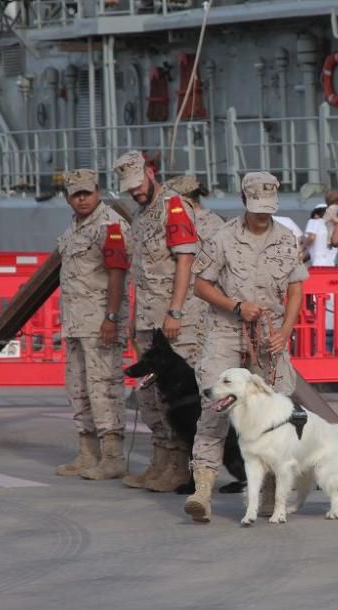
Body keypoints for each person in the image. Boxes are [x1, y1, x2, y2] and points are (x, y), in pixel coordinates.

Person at [185, 172, 308, 523]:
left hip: (268, 339)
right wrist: (236, 306)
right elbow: (201, 285)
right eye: (256, 210)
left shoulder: (286, 239)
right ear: (243, 201)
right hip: (227, 331)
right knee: (214, 409)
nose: (262, 216)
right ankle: (203, 490)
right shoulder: (222, 237)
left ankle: (270, 491)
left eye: (268, 210)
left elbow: (296, 287)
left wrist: (285, 330)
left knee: (275, 413)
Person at [113, 150, 203, 491]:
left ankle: (181, 467)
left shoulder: (174, 207)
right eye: (128, 187)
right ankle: (161, 462)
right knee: (151, 397)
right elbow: (142, 273)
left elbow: (185, 261)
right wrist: (136, 319)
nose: (134, 191)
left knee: (179, 396)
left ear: (151, 172)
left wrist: (176, 310)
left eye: (137, 183)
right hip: (149, 320)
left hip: (174, 321)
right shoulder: (141, 215)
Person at [55, 169, 131, 480]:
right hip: (75, 322)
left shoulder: (109, 224)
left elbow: (116, 272)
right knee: (78, 387)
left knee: (104, 387)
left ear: (98, 192)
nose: (83, 198)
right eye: (77, 194)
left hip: (100, 321)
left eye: (88, 192)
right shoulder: (75, 227)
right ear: (68, 198)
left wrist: (111, 317)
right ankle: (88, 453)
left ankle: (112, 456)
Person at [165, 174, 226, 242]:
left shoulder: (211, 223)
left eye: (170, 199)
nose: (167, 204)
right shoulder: (183, 220)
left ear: (185, 198)